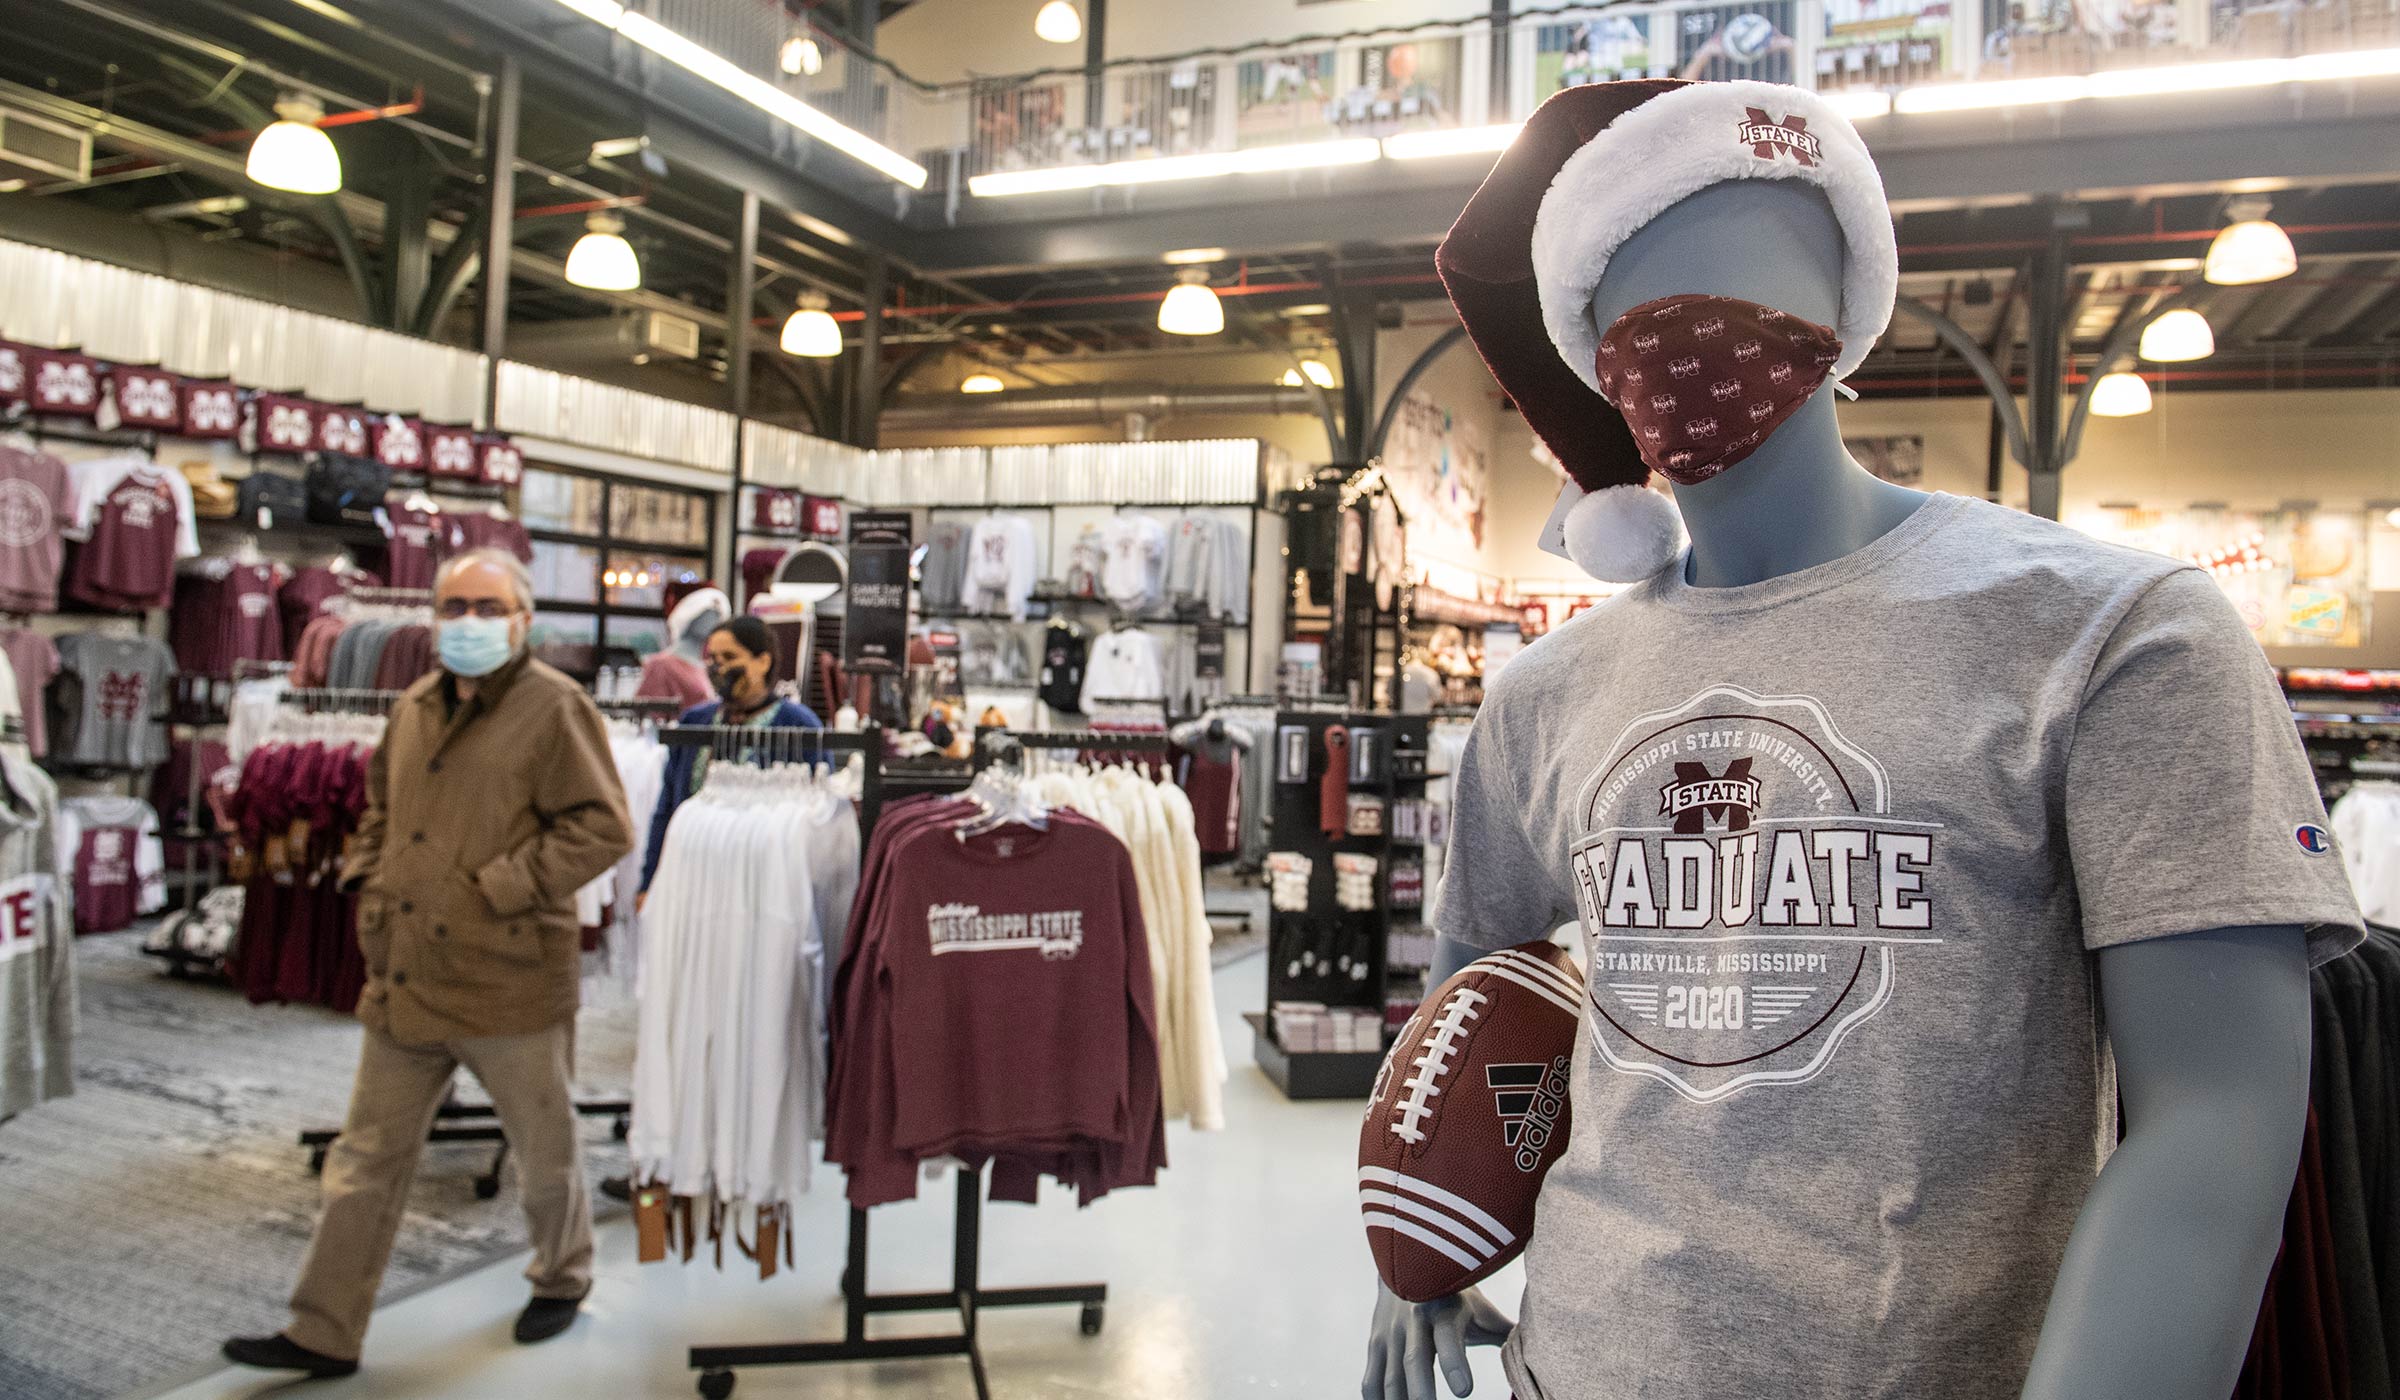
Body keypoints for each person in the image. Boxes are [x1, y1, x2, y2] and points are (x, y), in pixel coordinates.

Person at [222, 547, 633, 1379]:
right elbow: (379, 805)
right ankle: (323, 1329)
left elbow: (603, 826)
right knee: (365, 1158)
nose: (468, 624)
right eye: (453, 608)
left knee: (543, 1148)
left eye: (486, 608)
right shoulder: (412, 704)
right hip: (406, 970)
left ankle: (563, 1273)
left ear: (521, 620)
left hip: (507, 973)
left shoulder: (556, 708)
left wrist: (503, 887)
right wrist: (368, 876)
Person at [635, 613, 822, 907]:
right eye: (713, 657)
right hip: (689, 875)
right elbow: (667, 806)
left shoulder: (798, 726)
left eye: (730, 656)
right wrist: (649, 880)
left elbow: (814, 819)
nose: (719, 667)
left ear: (763, 661)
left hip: (758, 884)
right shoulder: (696, 721)